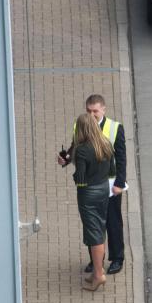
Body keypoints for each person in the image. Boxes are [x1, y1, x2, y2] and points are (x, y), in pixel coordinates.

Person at [57, 94, 127, 274]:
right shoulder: (80, 126)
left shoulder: (115, 128)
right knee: (93, 225)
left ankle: (117, 258)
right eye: (88, 110)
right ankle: (96, 262)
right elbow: (74, 150)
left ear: (103, 109)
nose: (92, 114)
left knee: (112, 222)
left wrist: (119, 183)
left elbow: (121, 159)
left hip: (110, 184)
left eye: (95, 111)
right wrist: (65, 159)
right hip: (91, 184)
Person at [71, 112, 114, 291]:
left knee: (93, 233)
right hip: (104, 189)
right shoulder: (105, 143)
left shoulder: (82, 149)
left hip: (88, 193)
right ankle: (97, 271)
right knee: (100, 228)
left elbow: (80, 178)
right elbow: (112, 170)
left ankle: (98, 275)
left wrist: (76, 175)